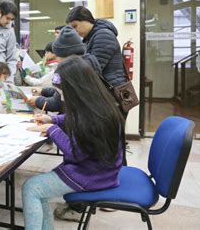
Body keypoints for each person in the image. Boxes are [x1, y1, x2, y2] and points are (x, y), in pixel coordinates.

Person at [22, 56, 124, 229]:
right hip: (101, 169)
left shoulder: (93, 117)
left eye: (63, 93)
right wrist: (53, 119)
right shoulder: (97, 105)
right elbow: (75, 118)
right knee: (39, 191)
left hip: (93, 175)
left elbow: (75, 153)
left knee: (31, 189)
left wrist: (50, 129)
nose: (62, 97)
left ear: (76, 89)